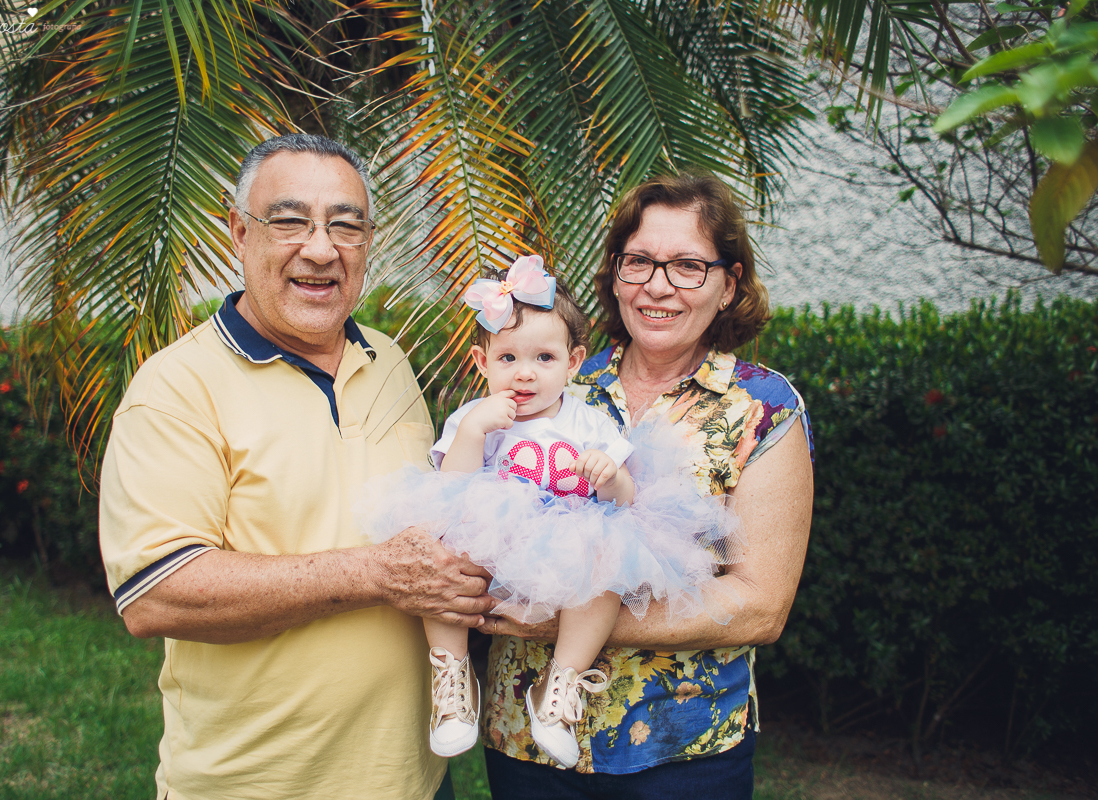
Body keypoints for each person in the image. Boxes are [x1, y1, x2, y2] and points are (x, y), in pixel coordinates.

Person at [98, 133, 493, 800]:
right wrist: (376, 573)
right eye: (289, 221)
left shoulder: (389, 361)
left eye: (346, 226)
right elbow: (156, 593)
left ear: (368, 242)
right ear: (239, 232)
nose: (321, 249)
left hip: (417, 782)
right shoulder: (175, 389)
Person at [478, 172, 814, 798]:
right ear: (615, 275)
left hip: (682, 747)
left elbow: (761, 605)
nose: (659, 286)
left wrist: (552, 618)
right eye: (639, 262)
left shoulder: (762, 408)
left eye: (688, 266)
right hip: (524, 738)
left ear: (728, 284)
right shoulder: (551, 374)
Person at [357, 255, 744, 770]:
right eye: (507, 358)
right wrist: (474, 430)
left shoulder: (589, 422)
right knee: (438, 549)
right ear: (481, 362)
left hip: (564, 549)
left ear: (573, 361)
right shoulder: (475, 417)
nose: (525, 373)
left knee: (607, 561)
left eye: (544, 357)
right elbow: (450, 488)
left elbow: (627, 503)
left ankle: (560, 685)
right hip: (495, 548)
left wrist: (611, 476)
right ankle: (451, 676)